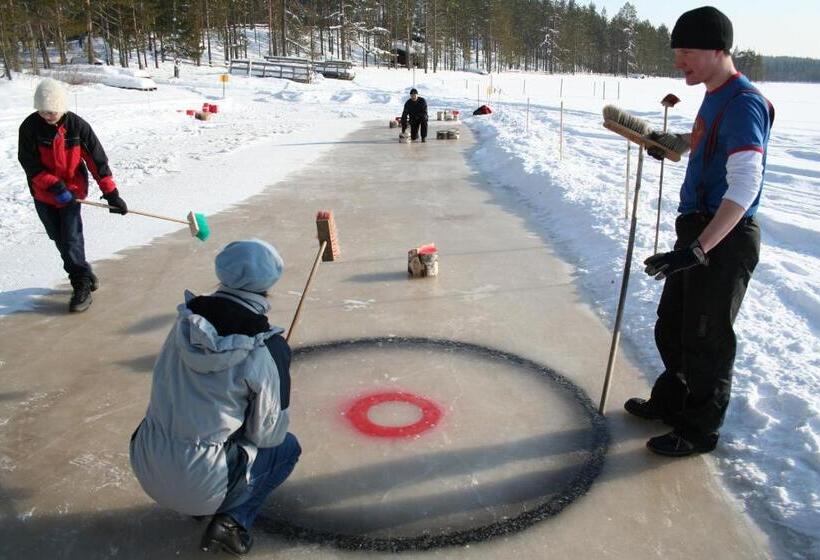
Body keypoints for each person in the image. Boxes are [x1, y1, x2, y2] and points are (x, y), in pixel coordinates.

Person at [626, 6, 774, 457]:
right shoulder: (714, 94)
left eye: (686, 51)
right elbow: (709, 141)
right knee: (672, 326)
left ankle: (699, 429)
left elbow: (746, 184)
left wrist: (699, 248)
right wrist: (672, 146)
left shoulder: (744, 102)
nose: (679, 62)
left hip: (724, 236)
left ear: (718, 49)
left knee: (707, 337)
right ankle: (673, 400)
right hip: (698, 229)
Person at [129, 240, 301, 555]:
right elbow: (268, 435)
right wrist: (276, 367)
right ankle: (233, 521)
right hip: (204, 481)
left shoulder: (184, 324)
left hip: (146, 462)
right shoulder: (267, 349)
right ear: (270, 282)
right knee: (287, 447)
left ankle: (198, 496)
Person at [17, 78, 128, 313]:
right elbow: (29, 163)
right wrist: (54, 185)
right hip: (44, 194)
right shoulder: (30, 127)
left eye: (52, 111)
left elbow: (97, 161)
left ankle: (80, 284)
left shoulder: (78, 127)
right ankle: (84, 273)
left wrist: (111, 193)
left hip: (73, 194)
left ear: (62, 106)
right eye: (43, 111)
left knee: (71, 239)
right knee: (58, 238)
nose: (48, 116)